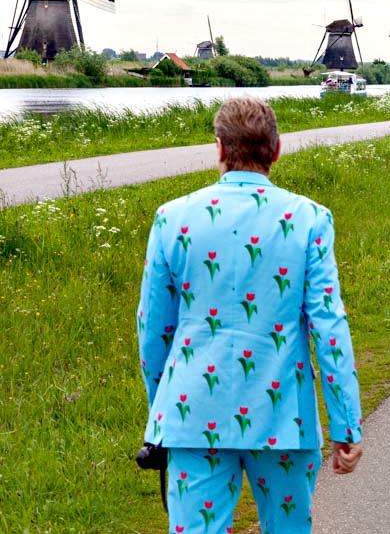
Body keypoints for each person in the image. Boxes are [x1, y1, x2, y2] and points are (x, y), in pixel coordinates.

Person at [136, 97, 363, 533]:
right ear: (276, 150)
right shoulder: (309, 220)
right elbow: (329, 327)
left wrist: (161, 410)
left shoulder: (172, 219)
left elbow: (153, 330)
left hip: (192, 414)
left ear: (220, 148)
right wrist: (345, 422)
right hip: (285, 417)